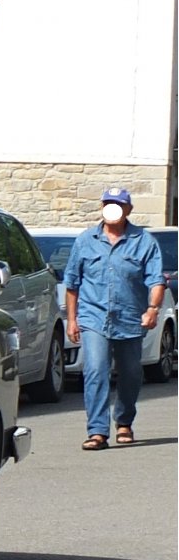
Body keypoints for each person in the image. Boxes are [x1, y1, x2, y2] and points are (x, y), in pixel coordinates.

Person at [62, 187, 166, 450]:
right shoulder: (85, 240)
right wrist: (72, 320)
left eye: (119, 204)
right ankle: (97, 431)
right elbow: (72, 284)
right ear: (102, 207)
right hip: (93, 317)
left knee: (131, 373)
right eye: (108, 203)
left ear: (128, 209)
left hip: (130, 318)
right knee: (95, 370)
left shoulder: (144, 241)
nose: (113, 208)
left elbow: (156, 280)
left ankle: (124, 421)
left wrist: (153, 308)